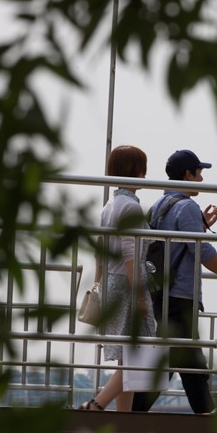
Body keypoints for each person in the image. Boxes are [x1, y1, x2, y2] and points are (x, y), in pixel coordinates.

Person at [132, 149, 217, 414]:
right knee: (187, 358)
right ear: (188, 174)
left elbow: (176, 244)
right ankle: (206, 415)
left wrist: (201, 224)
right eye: (199, 173)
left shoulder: (159, 206)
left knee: (178, 358)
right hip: (180, 295)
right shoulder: (186, 207)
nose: (202, 179)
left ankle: (141, 412)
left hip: (161, 293)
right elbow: (201, 250)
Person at [80, 145, 157, 411]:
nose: (145, 174)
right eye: (142, 169)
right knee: (137, 357)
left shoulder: (109, 206)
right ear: (135, 170)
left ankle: (123, 417)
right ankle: (97, 404)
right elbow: (130, 255)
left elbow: (100, 252)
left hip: (112, 282)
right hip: (128, 283)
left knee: (128, 356)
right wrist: (139, 295)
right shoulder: (131, 208)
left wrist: (98, 284)